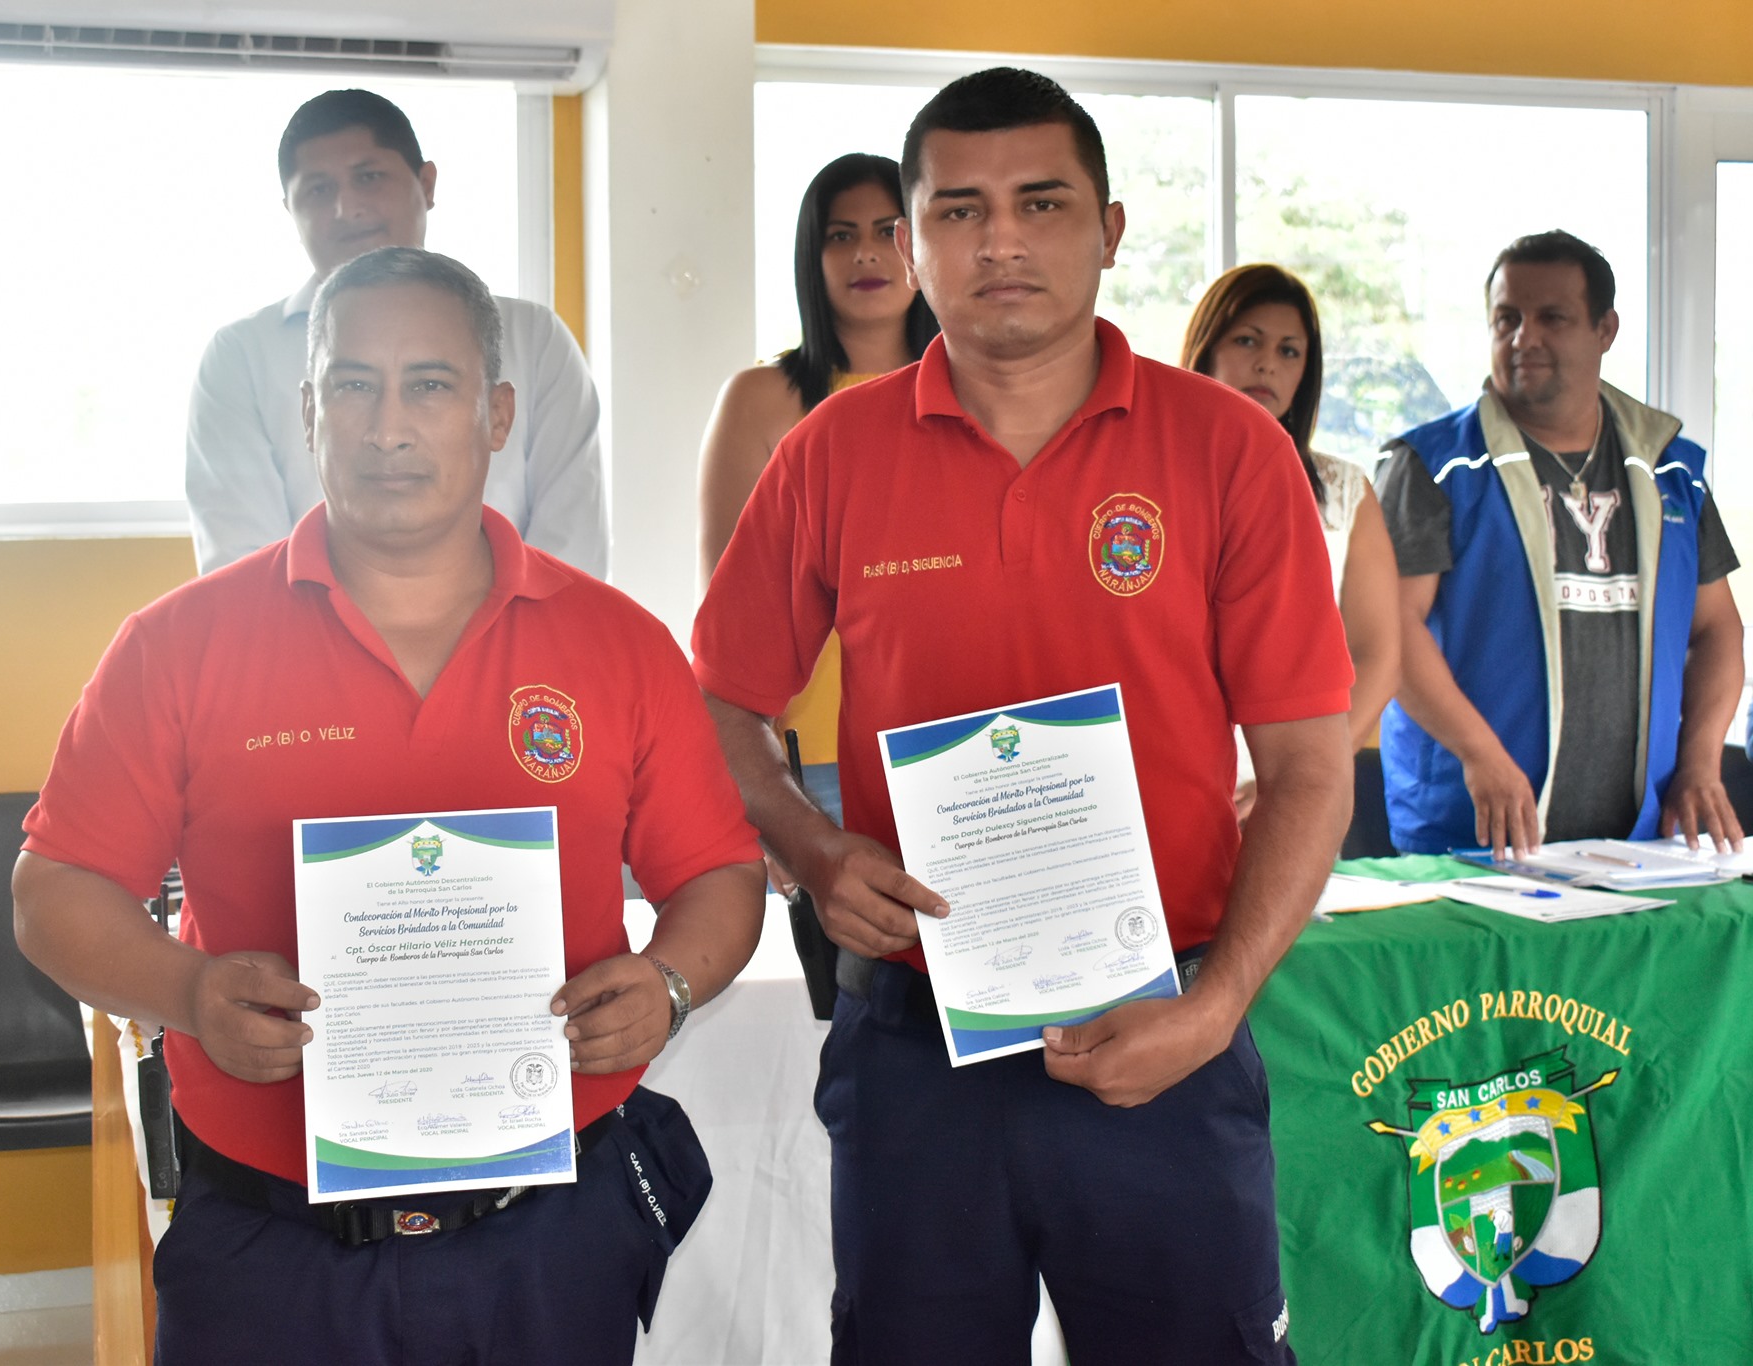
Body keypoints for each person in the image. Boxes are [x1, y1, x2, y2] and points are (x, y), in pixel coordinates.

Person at [693, 68, 1353, 1364]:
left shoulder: (1228, 450)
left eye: (1040, 203)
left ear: (1108, 230)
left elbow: (1308, 769)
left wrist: (1216, 1006)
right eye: (959, 210)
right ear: (912, 243)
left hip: (1164, 1026)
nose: (999, 240)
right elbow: (718, 699)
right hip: (913, 1042)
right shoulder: (831, 452)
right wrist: (809, 847)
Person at [17, 247, 763, 1364]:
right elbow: (53, 891)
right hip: (267, 1248)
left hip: (547, 1240)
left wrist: (668, 982)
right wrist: (188, 991)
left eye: (430, 384)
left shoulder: (620, 645)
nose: (387, 426)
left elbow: (718, 874)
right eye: (353, 385)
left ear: (496, 414)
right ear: (307, 411)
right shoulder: (178, 645)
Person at [1374, 229, 1744, 857]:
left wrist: (1700, 764)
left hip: (1637, 845)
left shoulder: (1672, 469)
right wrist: (1480, 753)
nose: (1525, 338)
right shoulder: (1433, 465)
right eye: (1507, 319)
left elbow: (1718, 630)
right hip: (1471, 835)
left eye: (1553, 318)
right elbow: (1389, 629)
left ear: (1606, 330)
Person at [186, 88, 609, 578]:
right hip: (294, 630)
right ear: (290, 210)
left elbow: (571, 544)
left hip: (519, 627)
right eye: (318, 190)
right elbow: (244, 568)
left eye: (369, 177)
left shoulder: (534, 339)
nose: (346, 208)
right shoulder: (239, 357)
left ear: (426, 184)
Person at [696, 152, 939, 824]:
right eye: (841, 234)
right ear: (812, 254)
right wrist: (760, 778)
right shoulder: (758, 399)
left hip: (956, 741)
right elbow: (727, 604)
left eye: (886, 230)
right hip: (813, 752)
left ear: (917, 242)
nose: (866, 253)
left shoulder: (974, 395)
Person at [1182, 263, 1400, 819]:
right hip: (1172, 781)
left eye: (1289, 351)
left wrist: (1304, 781)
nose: (1267, 363)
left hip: (1295, 788)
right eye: (1247, 340)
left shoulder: (1343, 490)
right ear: (1206, 347)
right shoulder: (1147, 483)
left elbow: (1378, 654)